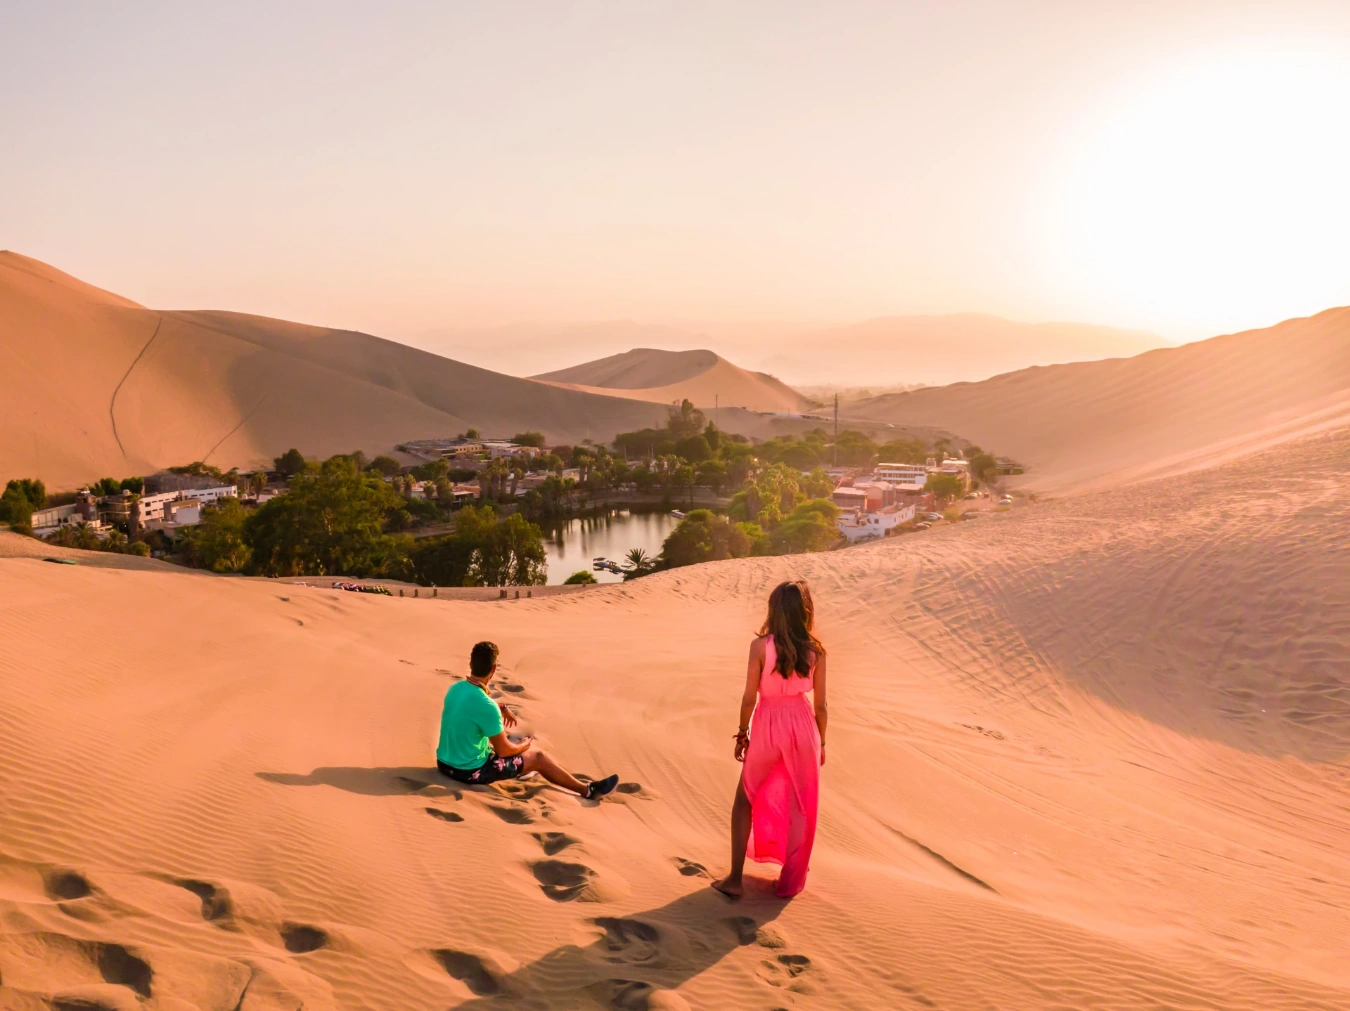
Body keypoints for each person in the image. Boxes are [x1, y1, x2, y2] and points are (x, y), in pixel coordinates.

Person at [712, 581, 827, 899]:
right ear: (805, 612)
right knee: (801, 805)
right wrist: (823, 743)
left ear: (773, 610)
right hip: (804, 728)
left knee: (745, 798)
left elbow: (750, 696)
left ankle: (735, 879)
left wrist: (742, 732)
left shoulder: (760, 647)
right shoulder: (815, 651)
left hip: (767, 724)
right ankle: (790, 880)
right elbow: (822, 706)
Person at [436, 641, 619, 801]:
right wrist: (525, 745)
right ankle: (588, 790)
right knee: (537, 756)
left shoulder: (455, 688)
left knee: (508, 736)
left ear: (470, 663)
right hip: (469, 772)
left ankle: (522, 768)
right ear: (494, 669)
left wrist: (500, 708)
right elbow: (504, 750)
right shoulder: (486, 706)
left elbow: (471, 709)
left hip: (444, 764)